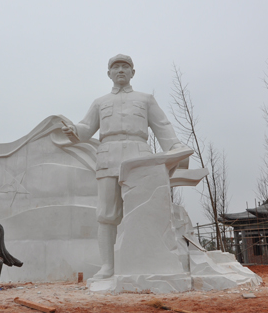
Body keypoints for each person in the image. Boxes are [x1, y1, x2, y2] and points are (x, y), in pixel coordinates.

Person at [62, 54, 184, 279]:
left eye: (125, 67)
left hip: (139, 156)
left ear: (132, 73)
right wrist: (75, 131)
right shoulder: (100, 102)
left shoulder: (146, 99)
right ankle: (108, 266)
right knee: (107, 214)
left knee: (143, 211)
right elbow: (86, 127)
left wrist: (175, 146)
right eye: (115, 67)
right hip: (108, 156)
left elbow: (163, 125)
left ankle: (144, 262)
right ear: (108, 73)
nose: (120, 70)